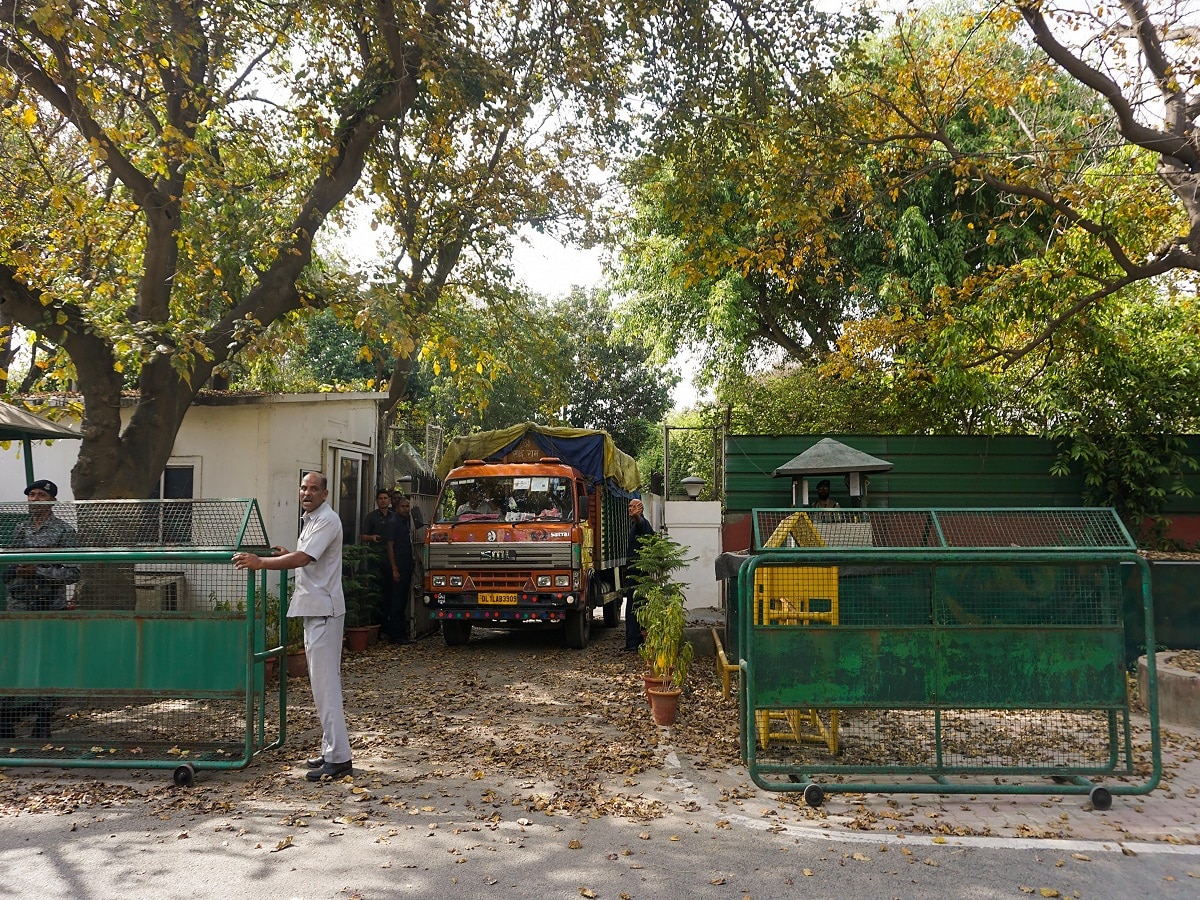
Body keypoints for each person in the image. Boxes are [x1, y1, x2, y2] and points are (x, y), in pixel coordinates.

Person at [233, 472, 352, 782]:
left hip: (324, 611)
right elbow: (307, 559)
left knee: (326, 686)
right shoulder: (312, 519)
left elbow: (303, 559)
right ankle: (331, 751)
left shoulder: (326, 519)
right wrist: (286, 556)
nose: (307, 493)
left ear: (325, 494)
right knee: (321, 686)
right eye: (303, 487)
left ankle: (339, 758)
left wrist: (261, 562)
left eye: (314, 489)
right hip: (315, 610)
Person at [0, 479, 81, 740]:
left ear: (52, 500)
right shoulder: (20, 529)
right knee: (12, 661)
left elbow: (73, 573)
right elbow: (8, 566)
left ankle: (43, 719)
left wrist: (39, 570)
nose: (34, 499)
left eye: (41, 495)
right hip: (19, 606)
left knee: (48, 662)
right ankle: (6, 718)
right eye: (31, 495)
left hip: (48, 607)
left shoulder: (64, 532)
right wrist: (15, 572)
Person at [384, 493, 424, 644]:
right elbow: (390, 547)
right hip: (398, 566)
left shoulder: (407, 522)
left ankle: (401, 634)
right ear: (397, 507)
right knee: (397, 601)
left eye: (408, 506)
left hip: (407, 565)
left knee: (402, 601)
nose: (406, 509)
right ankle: (396, 635)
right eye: (403, 506)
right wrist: (394, 568)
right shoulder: (393, 522)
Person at [623, 498, 656, 652]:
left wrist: (637, 515)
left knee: (634, 609)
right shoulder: (636, 527)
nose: (630, 509)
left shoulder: (641, 525)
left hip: (639, 575)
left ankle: (635, 644)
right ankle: (635, 642)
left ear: (640, 508)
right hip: (634, 574)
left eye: (632, 506)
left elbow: (639, 521)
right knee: (635, 608)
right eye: (629, 506)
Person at [361, 488, 396, 623]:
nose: (383, 500)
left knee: (391, 591)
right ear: (377, 501)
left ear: (389, 500)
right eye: (380, 498)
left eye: (385, 498)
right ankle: (377, 623)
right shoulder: (371, 517)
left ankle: (389, 623)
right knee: (376, 590)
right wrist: (371, 538)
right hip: (376, 558)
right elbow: (363, 536)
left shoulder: (394, 517)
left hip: (392, 558)